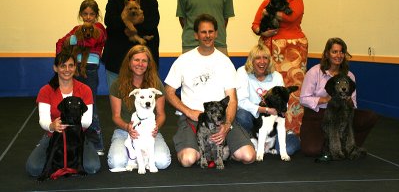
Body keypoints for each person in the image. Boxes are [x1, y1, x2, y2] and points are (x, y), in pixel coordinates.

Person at [165, 14, 255, 167]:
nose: (207, 36)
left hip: (221, 120)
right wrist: (188, 111)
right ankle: (201, 149)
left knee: (248, 156)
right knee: (188, 160)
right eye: (203, 32)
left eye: (211, 31)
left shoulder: (225, 62)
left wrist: (226, 125)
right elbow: (169, 92)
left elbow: (232, 99)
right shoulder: (184, 60)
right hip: (192, 119)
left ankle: (223, 149)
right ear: (196, 35)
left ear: (216, 33)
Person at [251, 0, 308, 135]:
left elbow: (290, 17)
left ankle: (292, 129)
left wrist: (268, 12)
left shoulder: (297, 0)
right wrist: (262, 31)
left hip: (293, 49)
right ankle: (268, 128)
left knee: (293, 89)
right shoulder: (265, 1)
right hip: (270, 47)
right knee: (271, 86)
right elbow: (255, 24)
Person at [299, 37, 378, 156]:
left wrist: (349, 101)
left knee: (370, 116)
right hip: (318, 115)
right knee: (312, 150)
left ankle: (350, 146)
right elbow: (303, 99)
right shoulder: (314, 72)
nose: (339, 55)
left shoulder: (349, 75)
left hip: (342, 114)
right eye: (334, 51)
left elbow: (354, 105)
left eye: (341, 52)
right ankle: (333, 143)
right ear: (327, 54)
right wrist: (325, 99)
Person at [26, 52, 100, 177]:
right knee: (34, 169)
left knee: (92, 167)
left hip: (78, 134)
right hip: (54, 135)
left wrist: (69, 125)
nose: (67, 70)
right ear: (55, 68)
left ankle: (67, 162)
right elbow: (43, 119)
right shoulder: (46, 90)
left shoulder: (85, 89)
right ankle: (49, 150)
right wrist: (52, 126)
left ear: (75, 67)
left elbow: (87, 121)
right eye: (62, 66)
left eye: (71, 66)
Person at [107, 45, 171, 172]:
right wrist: (127, 127)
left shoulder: (156, 83)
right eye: (136, 60)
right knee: (116, 162)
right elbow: (116, 116)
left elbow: (161, 114)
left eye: (144, 61)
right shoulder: (117, 84)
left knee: (163, 162)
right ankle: (136, 158)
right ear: (129, 62)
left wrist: (156, 127)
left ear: (148, 64)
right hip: (124, 132)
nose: (140, 64)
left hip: (149, 132)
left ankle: (137, 159)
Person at [56, 0, 107, 155]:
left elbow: (91, 40)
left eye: (92, 14)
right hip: (74, 70)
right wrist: (61, 60)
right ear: (80, 14)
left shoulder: (99, 28)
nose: (88, 17)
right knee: (73, 104)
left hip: (90, 70)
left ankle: (97, 143)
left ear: (96, 15)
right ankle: (71, 139)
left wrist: (72, 40)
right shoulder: (76, 29)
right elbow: (60, 43)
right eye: (85, 14)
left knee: (90, 105)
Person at [102, 0, 160, 91]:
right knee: (117, 92)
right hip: (118, 54)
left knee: (146, 93)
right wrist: (133, 25)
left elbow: (153, 22)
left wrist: (129, 26)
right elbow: (110, 21)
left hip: (145, 51)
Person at [236, 44, 300, 155]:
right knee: (241, 115)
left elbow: (283, 104)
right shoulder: (242, 72)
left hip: (273, 122)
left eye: (265, 58)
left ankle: (287, 135)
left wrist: (275, 111)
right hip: (253, 119)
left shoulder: (277, 76)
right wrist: (264, 109)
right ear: (251, 60)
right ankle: (251, 141)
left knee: (289, 149)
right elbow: (241, 102)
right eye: (258, 58)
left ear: (269, 60)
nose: (262, 62)